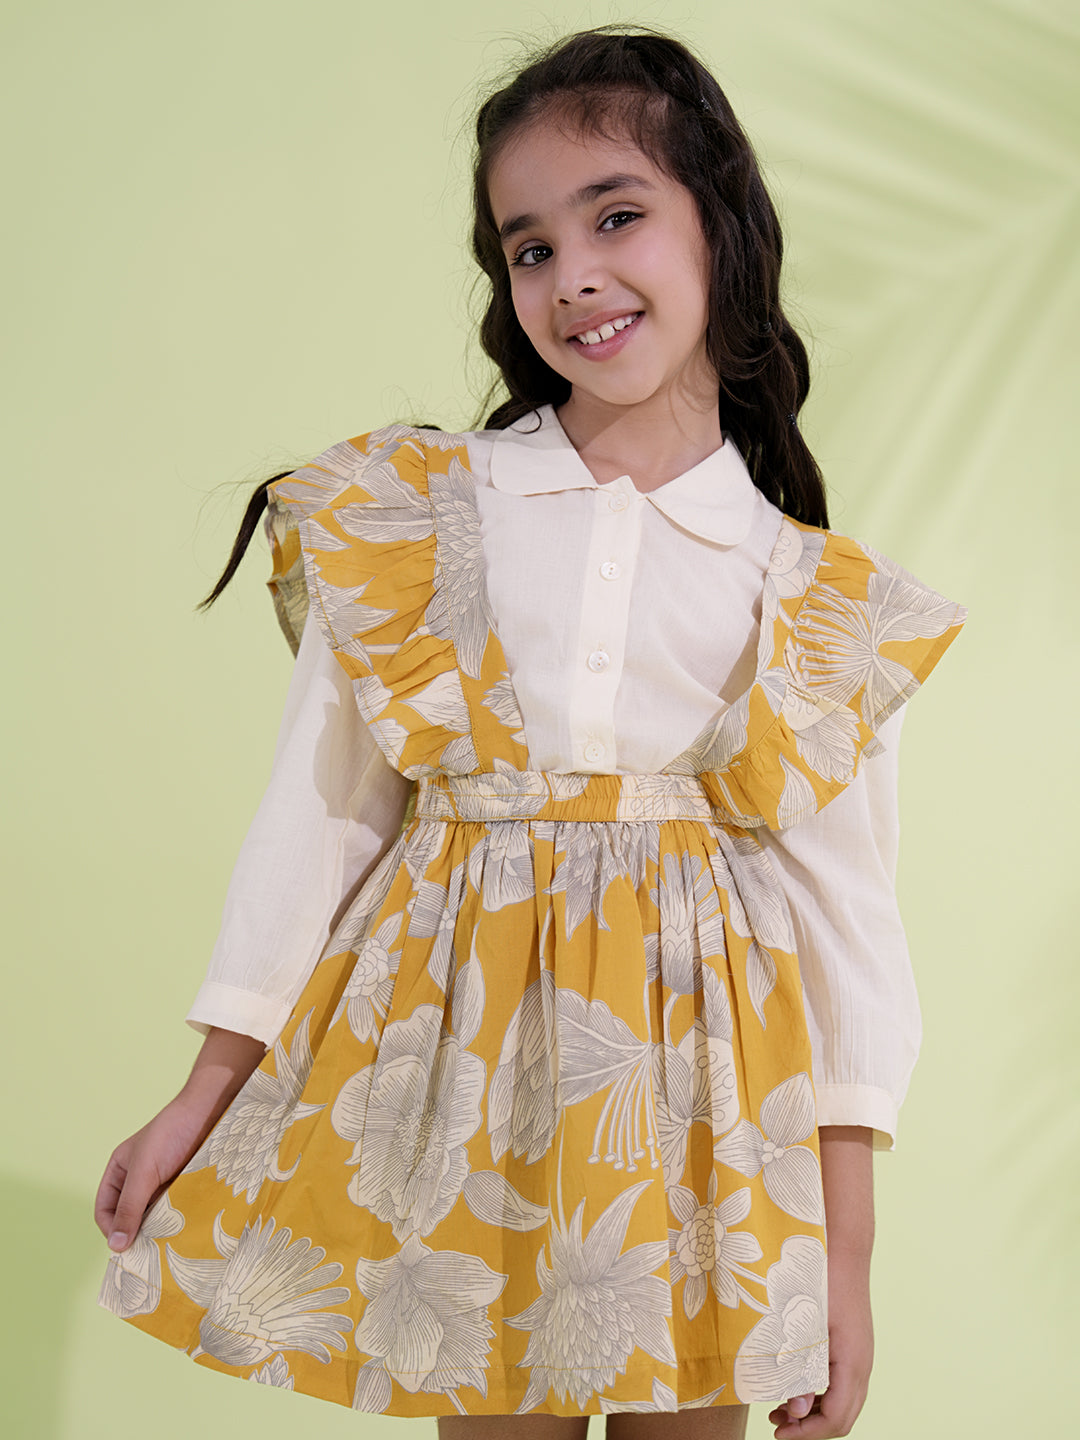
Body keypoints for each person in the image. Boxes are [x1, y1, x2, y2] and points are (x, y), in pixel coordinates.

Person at [93, 25, 965, 1440]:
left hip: (706, 1117)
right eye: (530, 248)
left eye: (616, 216)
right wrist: (204, 1092)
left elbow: (846, 934)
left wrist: (844, 1266)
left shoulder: (818, 600)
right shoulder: (421, 518)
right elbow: (321, 819)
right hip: (463, 1095)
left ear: (722, 226)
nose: (574, 278)